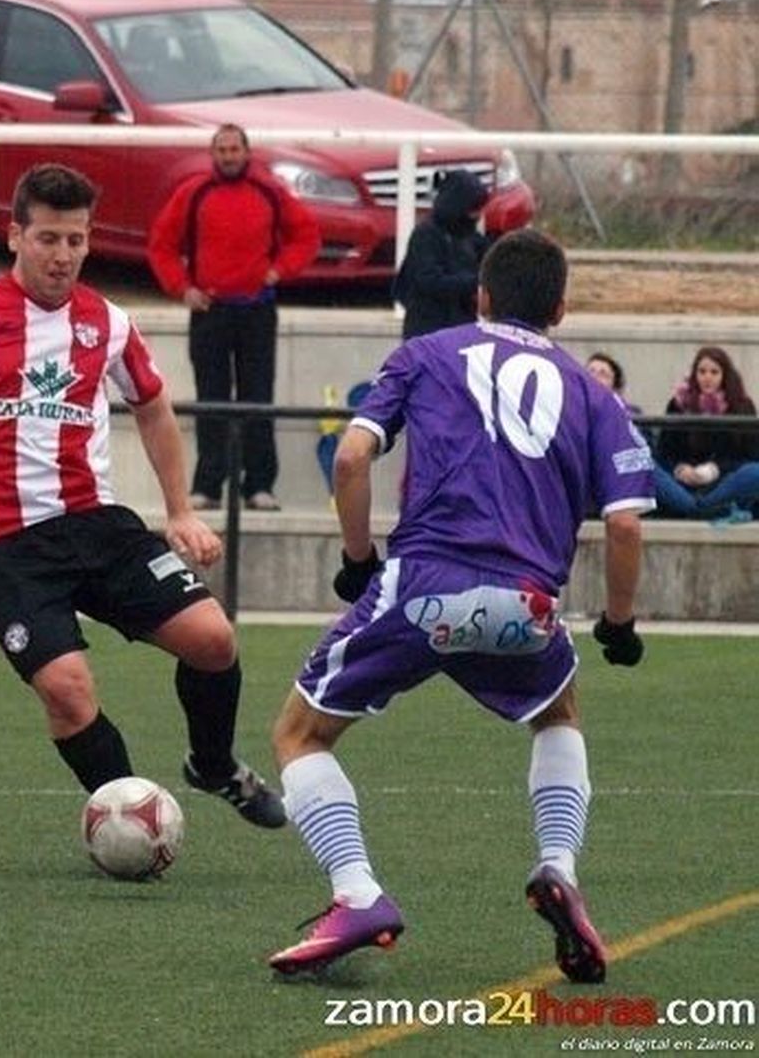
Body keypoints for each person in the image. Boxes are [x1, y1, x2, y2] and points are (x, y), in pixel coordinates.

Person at [264, 229, 654, 979]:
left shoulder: (426, 354)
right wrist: (619, 624)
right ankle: (558, 866)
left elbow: (351, 456)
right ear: (562, 310)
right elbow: (627, 522)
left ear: (479, 296)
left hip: (422, 587)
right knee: (558, 715)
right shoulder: (592, 392)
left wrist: (356, 561)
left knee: (299, 734)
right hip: (526, 605)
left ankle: (357, 892)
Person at [0, 162, 285, 829]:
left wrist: (179, 511)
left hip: (96, 525)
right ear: (15, 237)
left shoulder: (108, 322)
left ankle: (212, 764)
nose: (63, 255)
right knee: (68, 693)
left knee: (213, 640)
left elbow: (153, 407)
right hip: (4, 544)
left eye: (76, 240)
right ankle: (131, 820)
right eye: (48, 239)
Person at [146, 123, 320, 513]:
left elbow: (307, 236)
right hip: (210, 312)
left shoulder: (269, 191)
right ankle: (208, 486)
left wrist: (279, 270)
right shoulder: (193, 192)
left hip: (258, 310)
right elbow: (161, 246)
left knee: (259, 398)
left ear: (246, 151)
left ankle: (259, 485)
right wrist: (182, 288)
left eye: (234, 149)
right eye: (221, 149)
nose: (228, 156)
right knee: (212, 399)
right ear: (213, 154)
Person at [651, 345, 759, 522]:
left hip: (722, 486)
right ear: (695, 374)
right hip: (681, 487)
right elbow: (664, 452)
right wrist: (679, 469)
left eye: (714, 372)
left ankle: (697, 510)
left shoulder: (742, 406)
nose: (707, 377)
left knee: (755, 472)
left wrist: (714, 470)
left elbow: (750, 456)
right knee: (646, 468)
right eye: (701, 371)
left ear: (725, 375)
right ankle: (702, 510)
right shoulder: (678, 404)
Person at [392, 168, 492, 339]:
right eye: (473, 209)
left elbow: (490, 263)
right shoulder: (427, 235)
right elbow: (428, 280)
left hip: (460, 326)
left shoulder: (472, 238)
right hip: (427, 327)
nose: (477, 215)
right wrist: (475, 282)